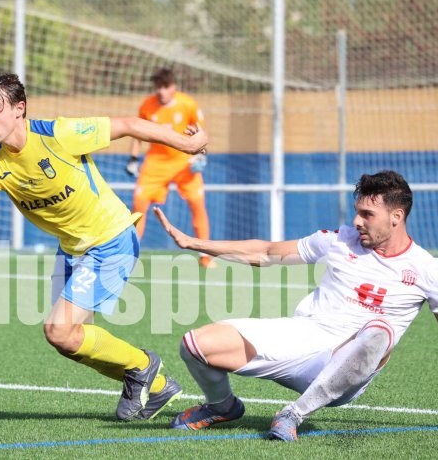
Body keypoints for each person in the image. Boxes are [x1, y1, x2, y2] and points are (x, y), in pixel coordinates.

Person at [0, 72, 208, 421]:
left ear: (19, 109)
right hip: (72, 249)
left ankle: (142, 365)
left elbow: (129, 125)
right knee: (70, 340)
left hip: (111, 239)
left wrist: (186, 145)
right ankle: (159, 385)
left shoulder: (58, 134)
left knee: (57, 330)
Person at [152, 170, 438, 440]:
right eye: (357, 211)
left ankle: (293, 413)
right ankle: (221, 406)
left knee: (379, 331)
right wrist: (194, 243)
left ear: (396, 216)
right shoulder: (339, 240)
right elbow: (267, 252)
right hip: (301, 336)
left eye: (367, 214)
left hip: (345, 369)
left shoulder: (426, 269)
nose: (357, 221)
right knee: (195, 345)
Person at [126, 67, 214, 267]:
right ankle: (128, 255)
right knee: (139, 204)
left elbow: (201, 133)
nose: (161, 91)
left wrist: (201, 156)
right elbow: (137, 133)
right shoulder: (147, 106)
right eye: (158, 87)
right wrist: (133, 158)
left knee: (197, 203)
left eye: (165, 87)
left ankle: (205, 257)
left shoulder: (188, 104)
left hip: (184, 162)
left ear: (173, 86)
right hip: (156, 163)